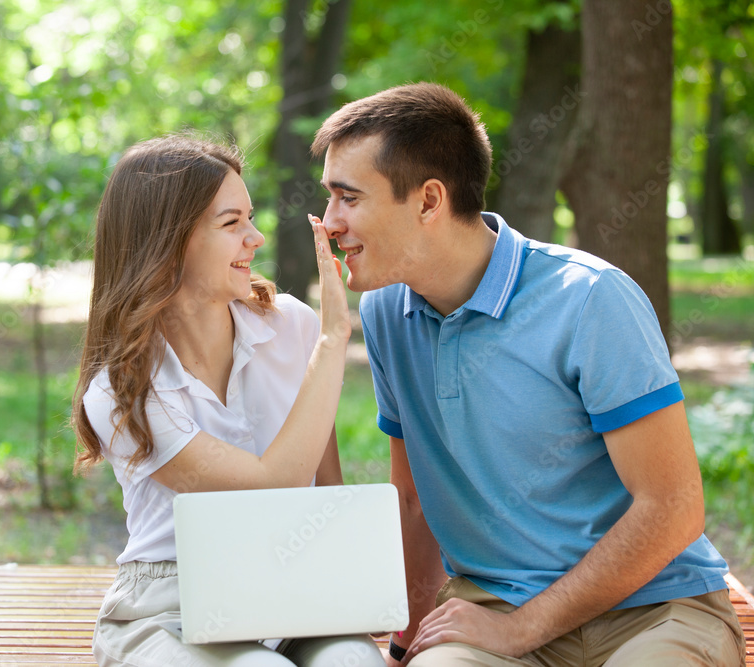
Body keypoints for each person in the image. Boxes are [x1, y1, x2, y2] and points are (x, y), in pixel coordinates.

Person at [309, 83, 746, 667]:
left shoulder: (590, 299)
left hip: (652, 609)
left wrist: (527, 630)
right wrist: (405, 641)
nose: (330, 221)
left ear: (429, 201)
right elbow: (413, 500)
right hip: (491, 610)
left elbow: (673, 506)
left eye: (348, 198)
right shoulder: (388, 312)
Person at [71, 135, 386, 667]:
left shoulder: (295, 328)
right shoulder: (120, 390)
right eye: (231, 223)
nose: (256, 238)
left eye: (251, 217)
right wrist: (335, 340)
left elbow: (322, 491)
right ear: (167, 242)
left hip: (292, 584)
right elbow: (271, 484)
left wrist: (349, 587)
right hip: (169, 603)